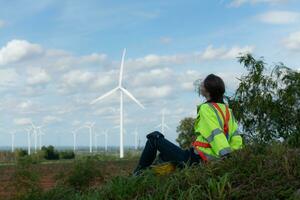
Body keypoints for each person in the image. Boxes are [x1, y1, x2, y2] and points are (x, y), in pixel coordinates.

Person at [133, 74, 243, 175]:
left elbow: (215, 133)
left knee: (154, 138)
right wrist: (234, 156)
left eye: (203, 84)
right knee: (164, 155)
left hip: (198, 159)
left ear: (208, 90)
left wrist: (226, 156)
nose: (200, 85)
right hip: (199, 156)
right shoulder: (228, 110)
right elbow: (236, 136)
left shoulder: (206, 108)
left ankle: (137, 175)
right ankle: (149, 175)